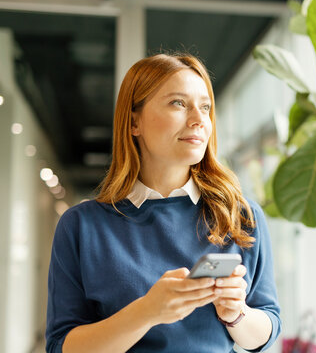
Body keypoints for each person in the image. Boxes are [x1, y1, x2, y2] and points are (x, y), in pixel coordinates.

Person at [45, 53, 281, 352]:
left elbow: (268, 328)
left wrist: (237, 315)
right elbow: (61, 345)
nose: (198, 119)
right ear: (134, 123)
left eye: (205, 107)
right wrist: (147, 312)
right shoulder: (82, 225)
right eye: (178, 103)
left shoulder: (241, 216)